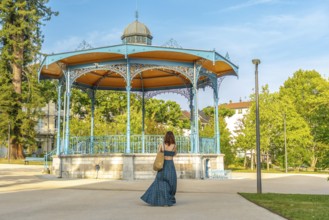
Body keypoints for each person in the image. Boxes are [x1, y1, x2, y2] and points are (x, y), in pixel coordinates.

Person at [141, 131, 177, 206]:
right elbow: (175, 154)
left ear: (165, 137)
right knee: (171, 183)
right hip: (170, 165)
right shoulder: (174, 146)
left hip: (163, 165)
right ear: (172, 137)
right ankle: (168, 200)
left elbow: (159, 154)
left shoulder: (162, 145)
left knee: (159, 182)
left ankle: (156, 199)